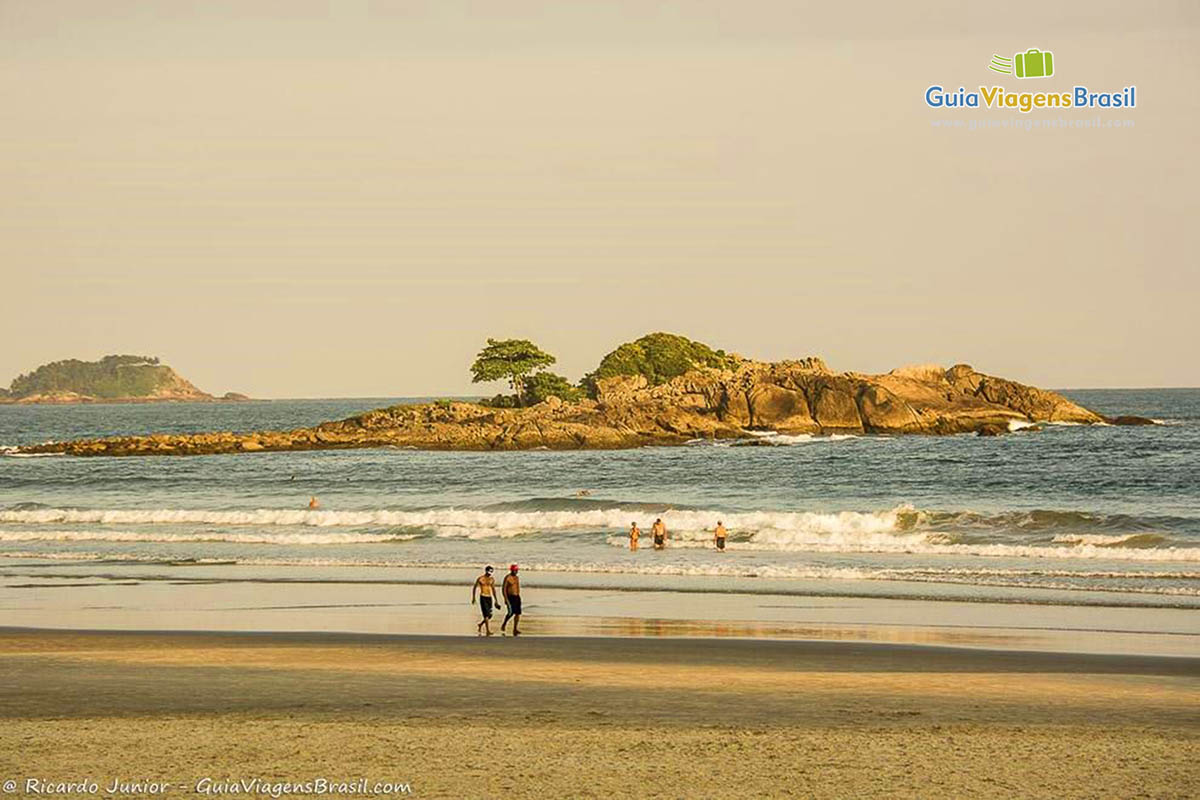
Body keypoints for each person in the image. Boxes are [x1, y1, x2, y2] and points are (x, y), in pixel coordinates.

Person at [471, 565, 501, 635]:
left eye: (491, 571)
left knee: (490, 615)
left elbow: (493, 590)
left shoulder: (492, 579)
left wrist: (496, 600)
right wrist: (473, 598)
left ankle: (480, 624)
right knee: (486, 615)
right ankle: (488, 630)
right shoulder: (480, 578)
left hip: (489, 597)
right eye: (489, 571)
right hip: (483, 597)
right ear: (486, 571)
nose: (490, 573)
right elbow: (475, 587)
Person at [501, 564, 522, 635]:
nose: (516, 571)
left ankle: (515, 628)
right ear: (511, 570)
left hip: (517, 597)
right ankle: (504, 623)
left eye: (516, 570)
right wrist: (505, 599)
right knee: (510, 613)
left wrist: (518, 595)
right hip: (510, 597)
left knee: (518, 613)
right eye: (514, 570)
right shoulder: (507, 578)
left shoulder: (517, 578)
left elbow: (517, 587)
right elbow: (504, 589)